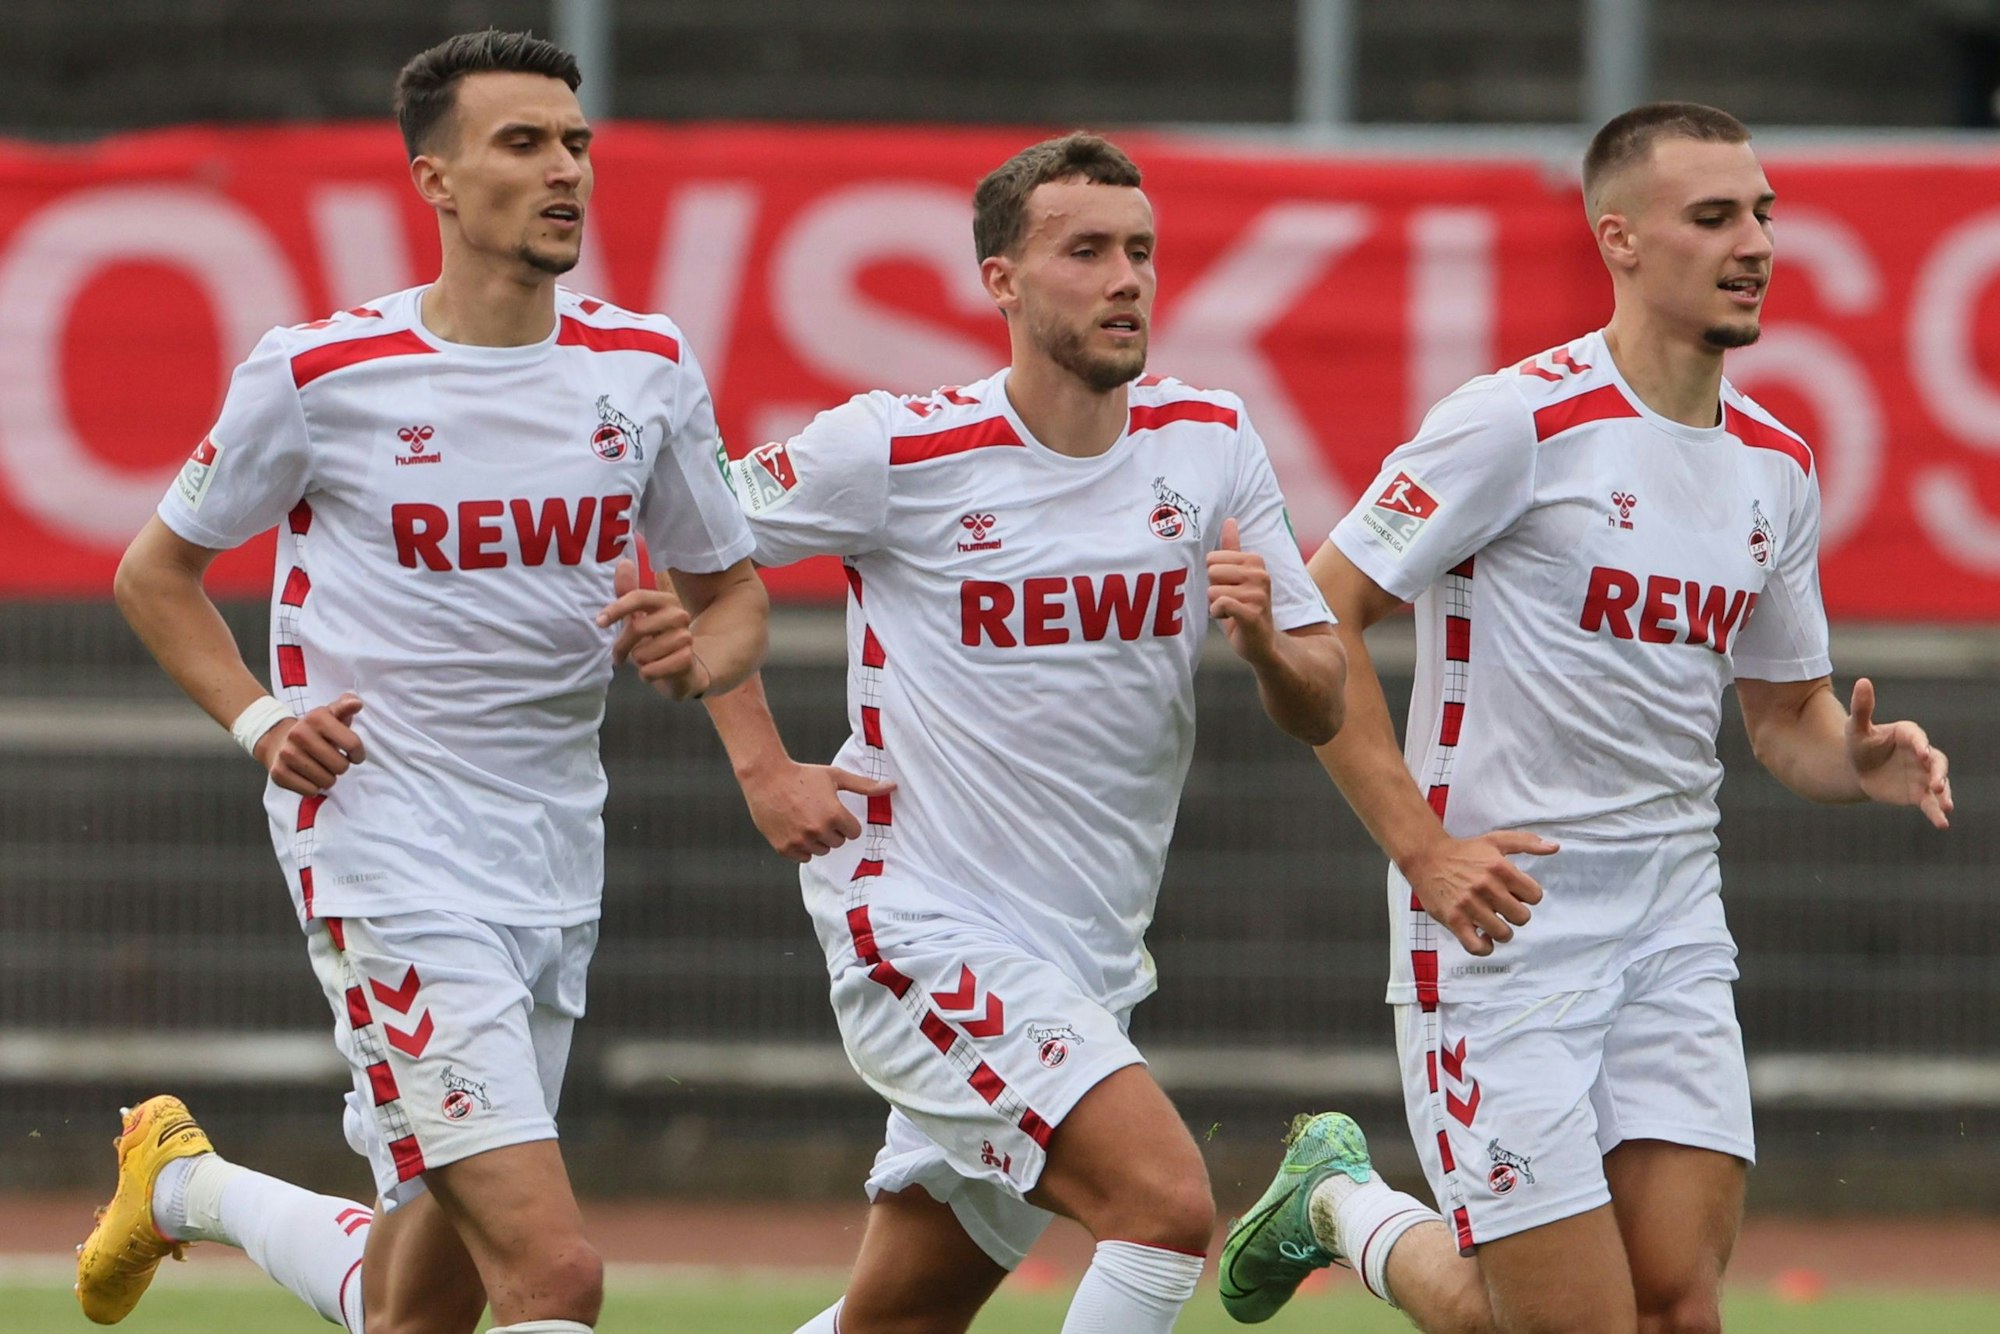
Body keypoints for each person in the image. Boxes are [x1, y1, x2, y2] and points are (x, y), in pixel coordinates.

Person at [1218, 102, 1953, 1334]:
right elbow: (1320, 612)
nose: (1754, 241)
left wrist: (1856, 760)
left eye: (1762, 212)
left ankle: (1341, 1204)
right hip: (1503, 927)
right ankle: (1339, 1202)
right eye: (1711, 215)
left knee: (1676, 1311)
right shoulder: (1515, 422)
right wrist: (1421, 850)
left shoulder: (1775, 460)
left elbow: (1783, 713)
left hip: (1670, 920)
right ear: (1616, 237)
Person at [78, 29, 766, 1334]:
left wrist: (694, 651)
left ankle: (188, 1187)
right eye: (523, 143)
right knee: (553, 1276)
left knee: (420, 1304)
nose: (566, 169)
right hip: (385, 854)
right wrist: (262, 717)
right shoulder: (321, 372)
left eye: (577, 143)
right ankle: (189, 1188)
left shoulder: (646, 365)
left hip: (554, 857)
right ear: (435, 180)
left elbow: (732, 599)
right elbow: (154, 573)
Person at [702, 131, 1347, 1333]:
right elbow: (694, 540)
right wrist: (759, 762)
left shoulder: (1208, 437)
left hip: (1087, 956)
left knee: (894, 1318)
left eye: (1141, 251)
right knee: (1161, 1204)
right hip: (919, 922)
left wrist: (1264, 640)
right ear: (999, 280)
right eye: (1085, 250)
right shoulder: (894, 445)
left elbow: (1324, 694)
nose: (1125, 279)